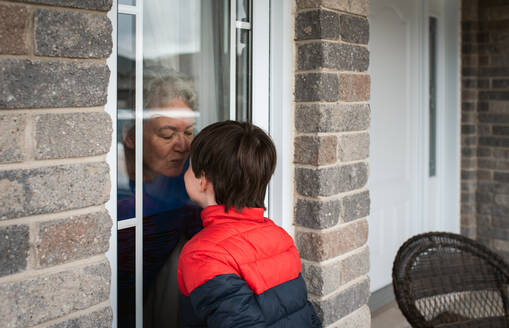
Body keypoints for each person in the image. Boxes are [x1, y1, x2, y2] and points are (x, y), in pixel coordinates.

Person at [177, 121, 322, 327]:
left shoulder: (203, 255)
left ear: (203, 180)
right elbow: (305, 313)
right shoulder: (279, 237)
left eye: (189, 166)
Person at [117, 65, 202, 328]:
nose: (183, 145)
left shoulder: (195, 180)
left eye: (189, 132)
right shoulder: (112, 189)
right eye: (167, 134)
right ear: (130, 136)